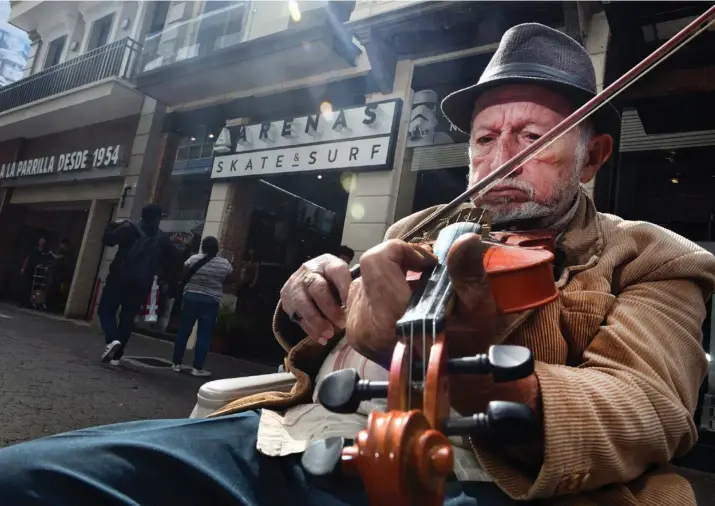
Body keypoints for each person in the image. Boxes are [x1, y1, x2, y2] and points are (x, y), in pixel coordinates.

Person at [0, 24, 714, 506]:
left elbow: (646, 409)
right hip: (302, 441)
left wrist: (473, 369)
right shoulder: (419, 229)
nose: (504, 157)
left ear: (593, 156)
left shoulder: (650, 257)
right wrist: (306, 296)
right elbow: (333, 327)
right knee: (27, 477)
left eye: (533, 135)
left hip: (479, 484)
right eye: (485, 137)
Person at [97, 203, 176, 365]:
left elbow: (108, 240)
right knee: (127, 318)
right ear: (158, 218)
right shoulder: (162, 238)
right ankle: (117, 357)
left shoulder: (129, 228)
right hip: (142, 282)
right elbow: (172, 260)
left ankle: (112, 340)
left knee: (105, 309)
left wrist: (113, 224)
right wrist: (162, 279)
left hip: (119, 278)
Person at [171, 236, 233, 377]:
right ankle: (197, 368)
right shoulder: (224, 264)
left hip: (191, 298)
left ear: (203, 247)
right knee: (204, 335)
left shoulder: (193, 259)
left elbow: (183, 273)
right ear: (217, 248)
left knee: (184, 331)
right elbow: (230, 280)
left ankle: (176, 363)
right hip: (211, 300)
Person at [17, 236, 50, 307]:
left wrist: (43, 266)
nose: (42, 243)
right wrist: (23, 268)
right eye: (41, 242)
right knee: (25, 285)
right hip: (30, 269)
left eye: (43, 242)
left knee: (35, 287)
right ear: (39, 242)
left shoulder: (45, 253)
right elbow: (27, 259)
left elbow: (46, 261)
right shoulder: (33, 250)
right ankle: (22, 301)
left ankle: (32, 302)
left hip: (38, 271)